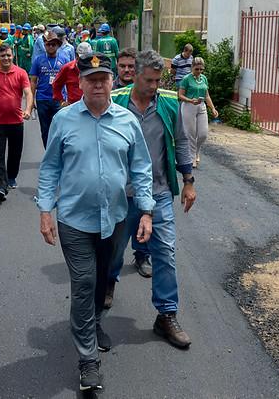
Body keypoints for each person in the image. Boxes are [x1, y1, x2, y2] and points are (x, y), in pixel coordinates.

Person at [37, 52, 155, 392]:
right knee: (85, 283)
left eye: (104, 77)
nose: (99, 83)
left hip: (116, 219)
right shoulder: (63, 119)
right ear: (81, 83)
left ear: (112, 81)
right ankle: (88, 358)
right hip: (74, 220)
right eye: (91, 78)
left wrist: (146, 211)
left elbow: (142, 169)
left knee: (103, 281)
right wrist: (46, 211)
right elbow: (50, 168)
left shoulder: (126, 121)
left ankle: (92, 324)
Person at [110, 49, 197, 349]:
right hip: (120, 194)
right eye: (148, 80)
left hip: (158, 193)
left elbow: (182, 142)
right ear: (135, 73)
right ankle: (108, 284)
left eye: (158, 80)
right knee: (112, 250)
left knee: (166, 254)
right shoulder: (116, 99)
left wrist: (188, 181)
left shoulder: (170, 103)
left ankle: (166, 315)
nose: (153, 86)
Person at [0, 44, 33, 201]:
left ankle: (11, 177)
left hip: (16, 121)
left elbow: (28, 93)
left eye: (9, 55)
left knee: (15, 153)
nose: (6, 58)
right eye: (3, 55)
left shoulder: (21, 73)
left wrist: (28, 109)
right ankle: (1, 187)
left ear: (13, 56)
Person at [177, 56, 219, 169]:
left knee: (203, 134)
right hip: (189, 106)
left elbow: (207, 95)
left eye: (201, 69)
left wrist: (213, 108)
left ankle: (196, 152)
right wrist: (190, 100)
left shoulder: (204, 78)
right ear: (192, 67)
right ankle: (191, 158)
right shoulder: (186, 79)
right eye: (197, 69)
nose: (199, 71)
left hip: (201, 106)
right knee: (191, 133)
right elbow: (180, 95)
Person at [29, 32, 65, 148]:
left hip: (59, 101)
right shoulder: (38, 60)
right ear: (45, 45)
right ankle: (48, 154)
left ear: (57, 46)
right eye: (48, 44)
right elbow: (33, 81)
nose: (50, 47)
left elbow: (68, 80)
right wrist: (31, 100)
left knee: (59, 129)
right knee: (45, 130)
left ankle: (58, 154)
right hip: (42, 99)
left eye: (53, 45)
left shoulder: (64, 60)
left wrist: (67, 99)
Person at [52, 42, 92, 106]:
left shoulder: (95, 68)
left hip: (92, 106)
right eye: (83, 58)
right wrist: (62, 101)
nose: (86, 61)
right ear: (76, 56)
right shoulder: (67, 68)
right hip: (73, 107)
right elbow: (56, 85)